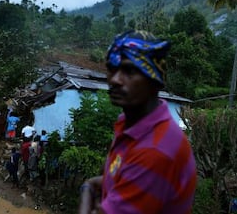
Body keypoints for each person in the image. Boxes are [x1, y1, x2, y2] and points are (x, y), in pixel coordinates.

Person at [79, 30, 197, 214]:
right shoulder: (127, 123)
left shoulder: (156, 150)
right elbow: (117, 179)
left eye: (130, 70)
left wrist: (86, 189)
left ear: (155, 80)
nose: (115, 80)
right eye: (112, 68)